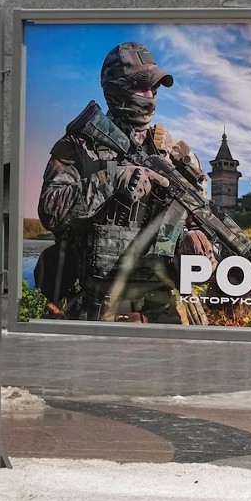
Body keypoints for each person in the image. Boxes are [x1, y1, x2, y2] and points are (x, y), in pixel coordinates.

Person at [36, 42, 215, 324]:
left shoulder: (176, 154)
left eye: (155, 87)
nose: (151, 95)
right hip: (98, 312)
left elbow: (202, 220)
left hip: (165, 312)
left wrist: (199, 245)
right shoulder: (79, 147)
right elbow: (51, 212)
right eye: (143, 87)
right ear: (116, 87)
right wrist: (112, 179)